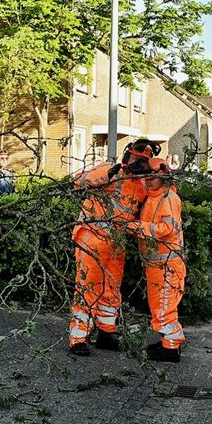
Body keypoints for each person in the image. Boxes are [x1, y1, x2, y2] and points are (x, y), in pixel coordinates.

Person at [67, 144, 148, 356]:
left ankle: (106, 332)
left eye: (144, 162)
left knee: (111, 288)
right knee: (88, 287)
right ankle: (78, 338)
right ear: (127, 158)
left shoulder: (140, 185)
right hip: (92, 238)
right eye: (137, 160)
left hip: (115, 243)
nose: (139, 166)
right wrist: (108, 175)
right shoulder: (109, 170)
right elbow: (78, 182)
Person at [130, 161, 186, 362]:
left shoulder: (167, 198)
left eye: (152, 177)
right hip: (158, 264)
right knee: (160, 306)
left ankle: (170, 348)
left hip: (166, 265)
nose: (148, 180)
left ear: (162, 177)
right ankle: (168, 342)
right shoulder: (153, 197)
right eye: (146, 176)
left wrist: (136, 227)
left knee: (164, 307)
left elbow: (166, 229)